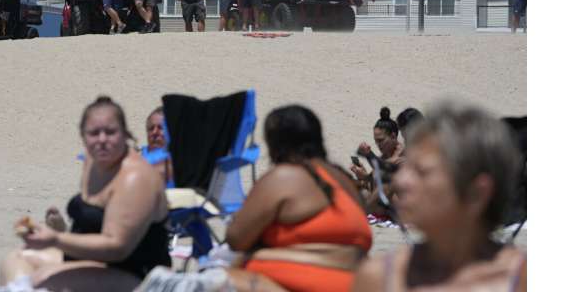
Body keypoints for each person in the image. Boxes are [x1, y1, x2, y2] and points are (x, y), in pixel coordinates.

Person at [141, 105, 372, 291]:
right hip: (352, 281)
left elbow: (236, 237)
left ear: (276, 143)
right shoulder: (343, 180)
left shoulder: (286, 176)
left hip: (297, 282)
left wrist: (261, 251)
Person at [0, 96, 171, 289]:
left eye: (110, 132)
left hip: (137, 275)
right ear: (83, 136)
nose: (102, 140)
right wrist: (59, 232)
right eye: (94, 133)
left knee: (42, 279)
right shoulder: (93, 161)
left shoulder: (135, 178)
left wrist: (57, 239)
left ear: (125, 135)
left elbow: (117, 248)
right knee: (16, 259)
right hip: (89, 262)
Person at [351, 105, 526, 291]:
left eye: (422, 171)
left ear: (476, 193)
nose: (401, 180)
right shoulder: (378, 277)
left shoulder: (522, 280)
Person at [350, 107, 405, 218]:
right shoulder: (385, 155)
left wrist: (369, 154)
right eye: (376, 141)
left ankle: (361, 212)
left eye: (381, 140)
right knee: (354, 186)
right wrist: (364, 176)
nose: (378, 145)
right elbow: (373, 182)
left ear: (393, 136)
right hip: (384, 205)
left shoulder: (403, 153)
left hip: (403, 209)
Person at [140, 106, 174, 187]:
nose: (155, 132)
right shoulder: (137, 157)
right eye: (151, 128)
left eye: (160, 127)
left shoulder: (178, 160)